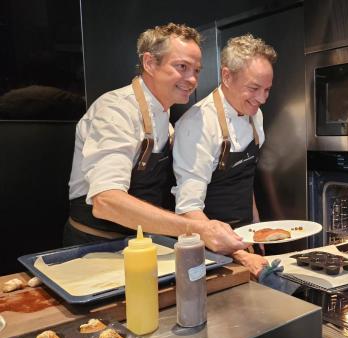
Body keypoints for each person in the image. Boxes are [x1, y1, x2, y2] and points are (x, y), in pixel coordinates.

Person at [65, 23, 248, 256]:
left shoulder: (165, 117)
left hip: (139, 246)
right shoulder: (116, 111)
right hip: (95, 249)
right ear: (150, 63)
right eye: (182, 67)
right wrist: (198, 228)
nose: (192, 79)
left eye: (197, 70)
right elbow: (106, 201)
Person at [172, 34, 277, 277]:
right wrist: (239, 254)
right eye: (254, 88)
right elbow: (188, 208)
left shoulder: (254, 114)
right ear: (227, 76)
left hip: (245, 240)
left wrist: (255, 226)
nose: (262, 99)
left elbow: (244, 176)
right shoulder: (197, 125)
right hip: (209, 252)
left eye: (267, 90)